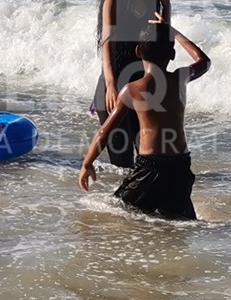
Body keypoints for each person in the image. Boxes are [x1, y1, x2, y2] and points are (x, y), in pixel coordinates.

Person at [80, 24, 211, 220]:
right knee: (180, 222)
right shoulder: (180, 78)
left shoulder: (132, 90)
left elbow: (105, 132)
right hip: (181, 165)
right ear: (172, 54)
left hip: (150, 168)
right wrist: (173, 31)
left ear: (138, 51)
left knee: (115, 211)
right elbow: (204, 61)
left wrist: (87, 163)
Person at [90, 0, 171, 168]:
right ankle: (112, 204)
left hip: (141, 88)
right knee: (122, 164)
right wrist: (111, 85)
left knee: (147, 158)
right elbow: (106, 45)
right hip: (114, 86)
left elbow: (162, 47)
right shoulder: (113, 1)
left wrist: (167, 7)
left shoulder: (150, 1)